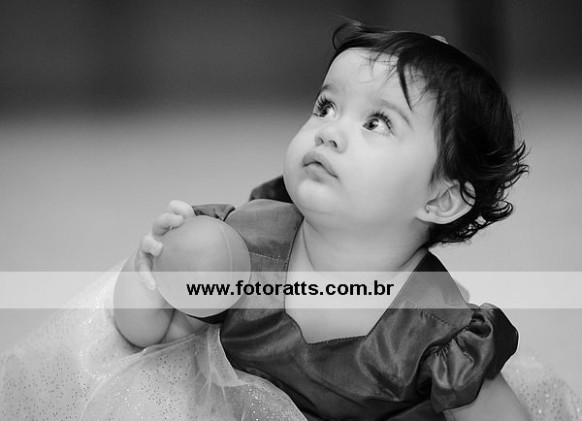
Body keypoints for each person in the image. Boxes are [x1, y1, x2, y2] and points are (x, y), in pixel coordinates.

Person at [114, 20, 531, 420]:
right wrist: (149, 274)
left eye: (376, 123)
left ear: (440, 200)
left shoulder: (437, 329)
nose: (327, 132)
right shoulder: (243, 246)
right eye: (326, 107)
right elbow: (151, 337)